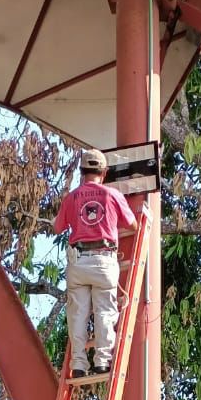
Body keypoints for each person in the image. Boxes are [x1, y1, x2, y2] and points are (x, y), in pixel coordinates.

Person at [54, 148, 138, 377]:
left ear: (82, 172)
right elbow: (133, 225)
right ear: (105, 172)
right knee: (105, 312)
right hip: (104, 260)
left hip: (78, 262)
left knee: (78, 314)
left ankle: (79, 364)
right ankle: (102, 360)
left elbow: (57, 227)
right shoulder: (112, 195)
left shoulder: (71, 198)